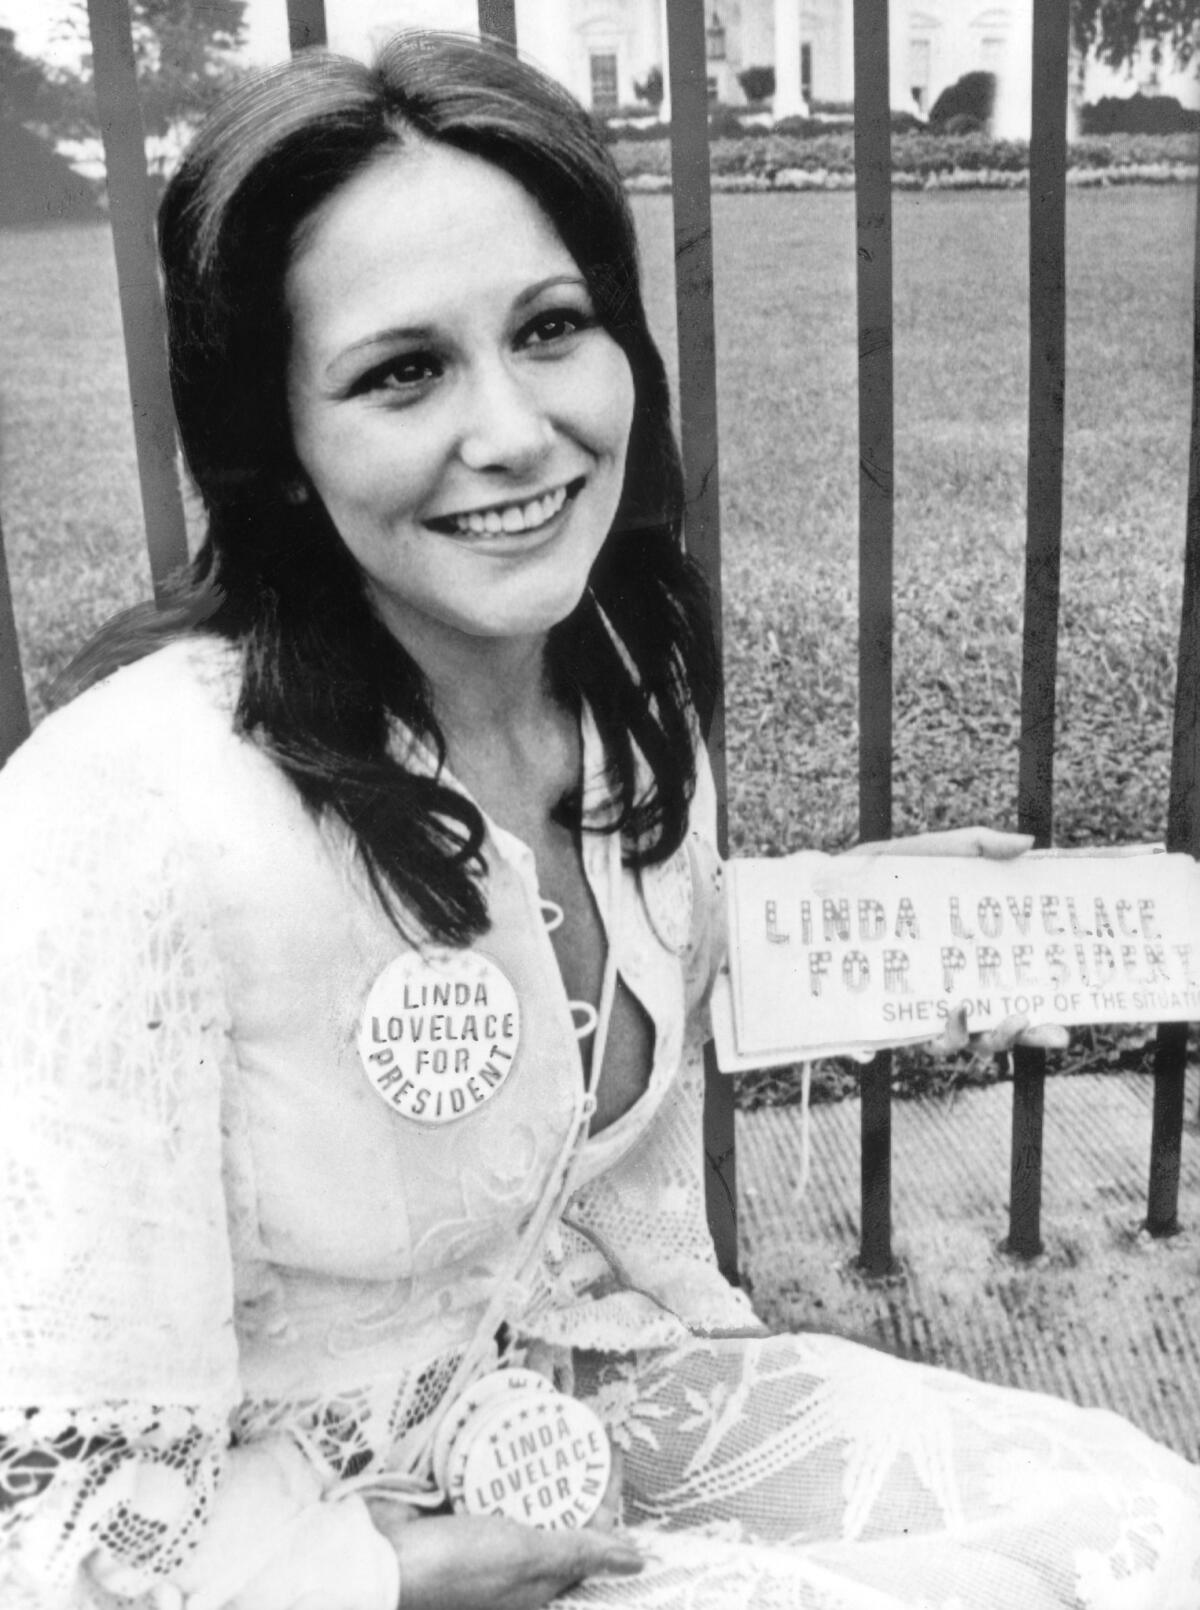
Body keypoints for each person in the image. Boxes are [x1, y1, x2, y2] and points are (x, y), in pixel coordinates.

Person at [1, 30, 1197, 1610]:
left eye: (550, 328)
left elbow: (575, 1021)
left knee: (1141, 1526)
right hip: (294, 1545)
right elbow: (58, 1515)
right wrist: (362, 1579)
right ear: (276, 449)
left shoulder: (612, 690)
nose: (512, 430)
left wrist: (845, 916)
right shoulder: (129, 816)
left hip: (590, 1387)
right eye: (401, 370)